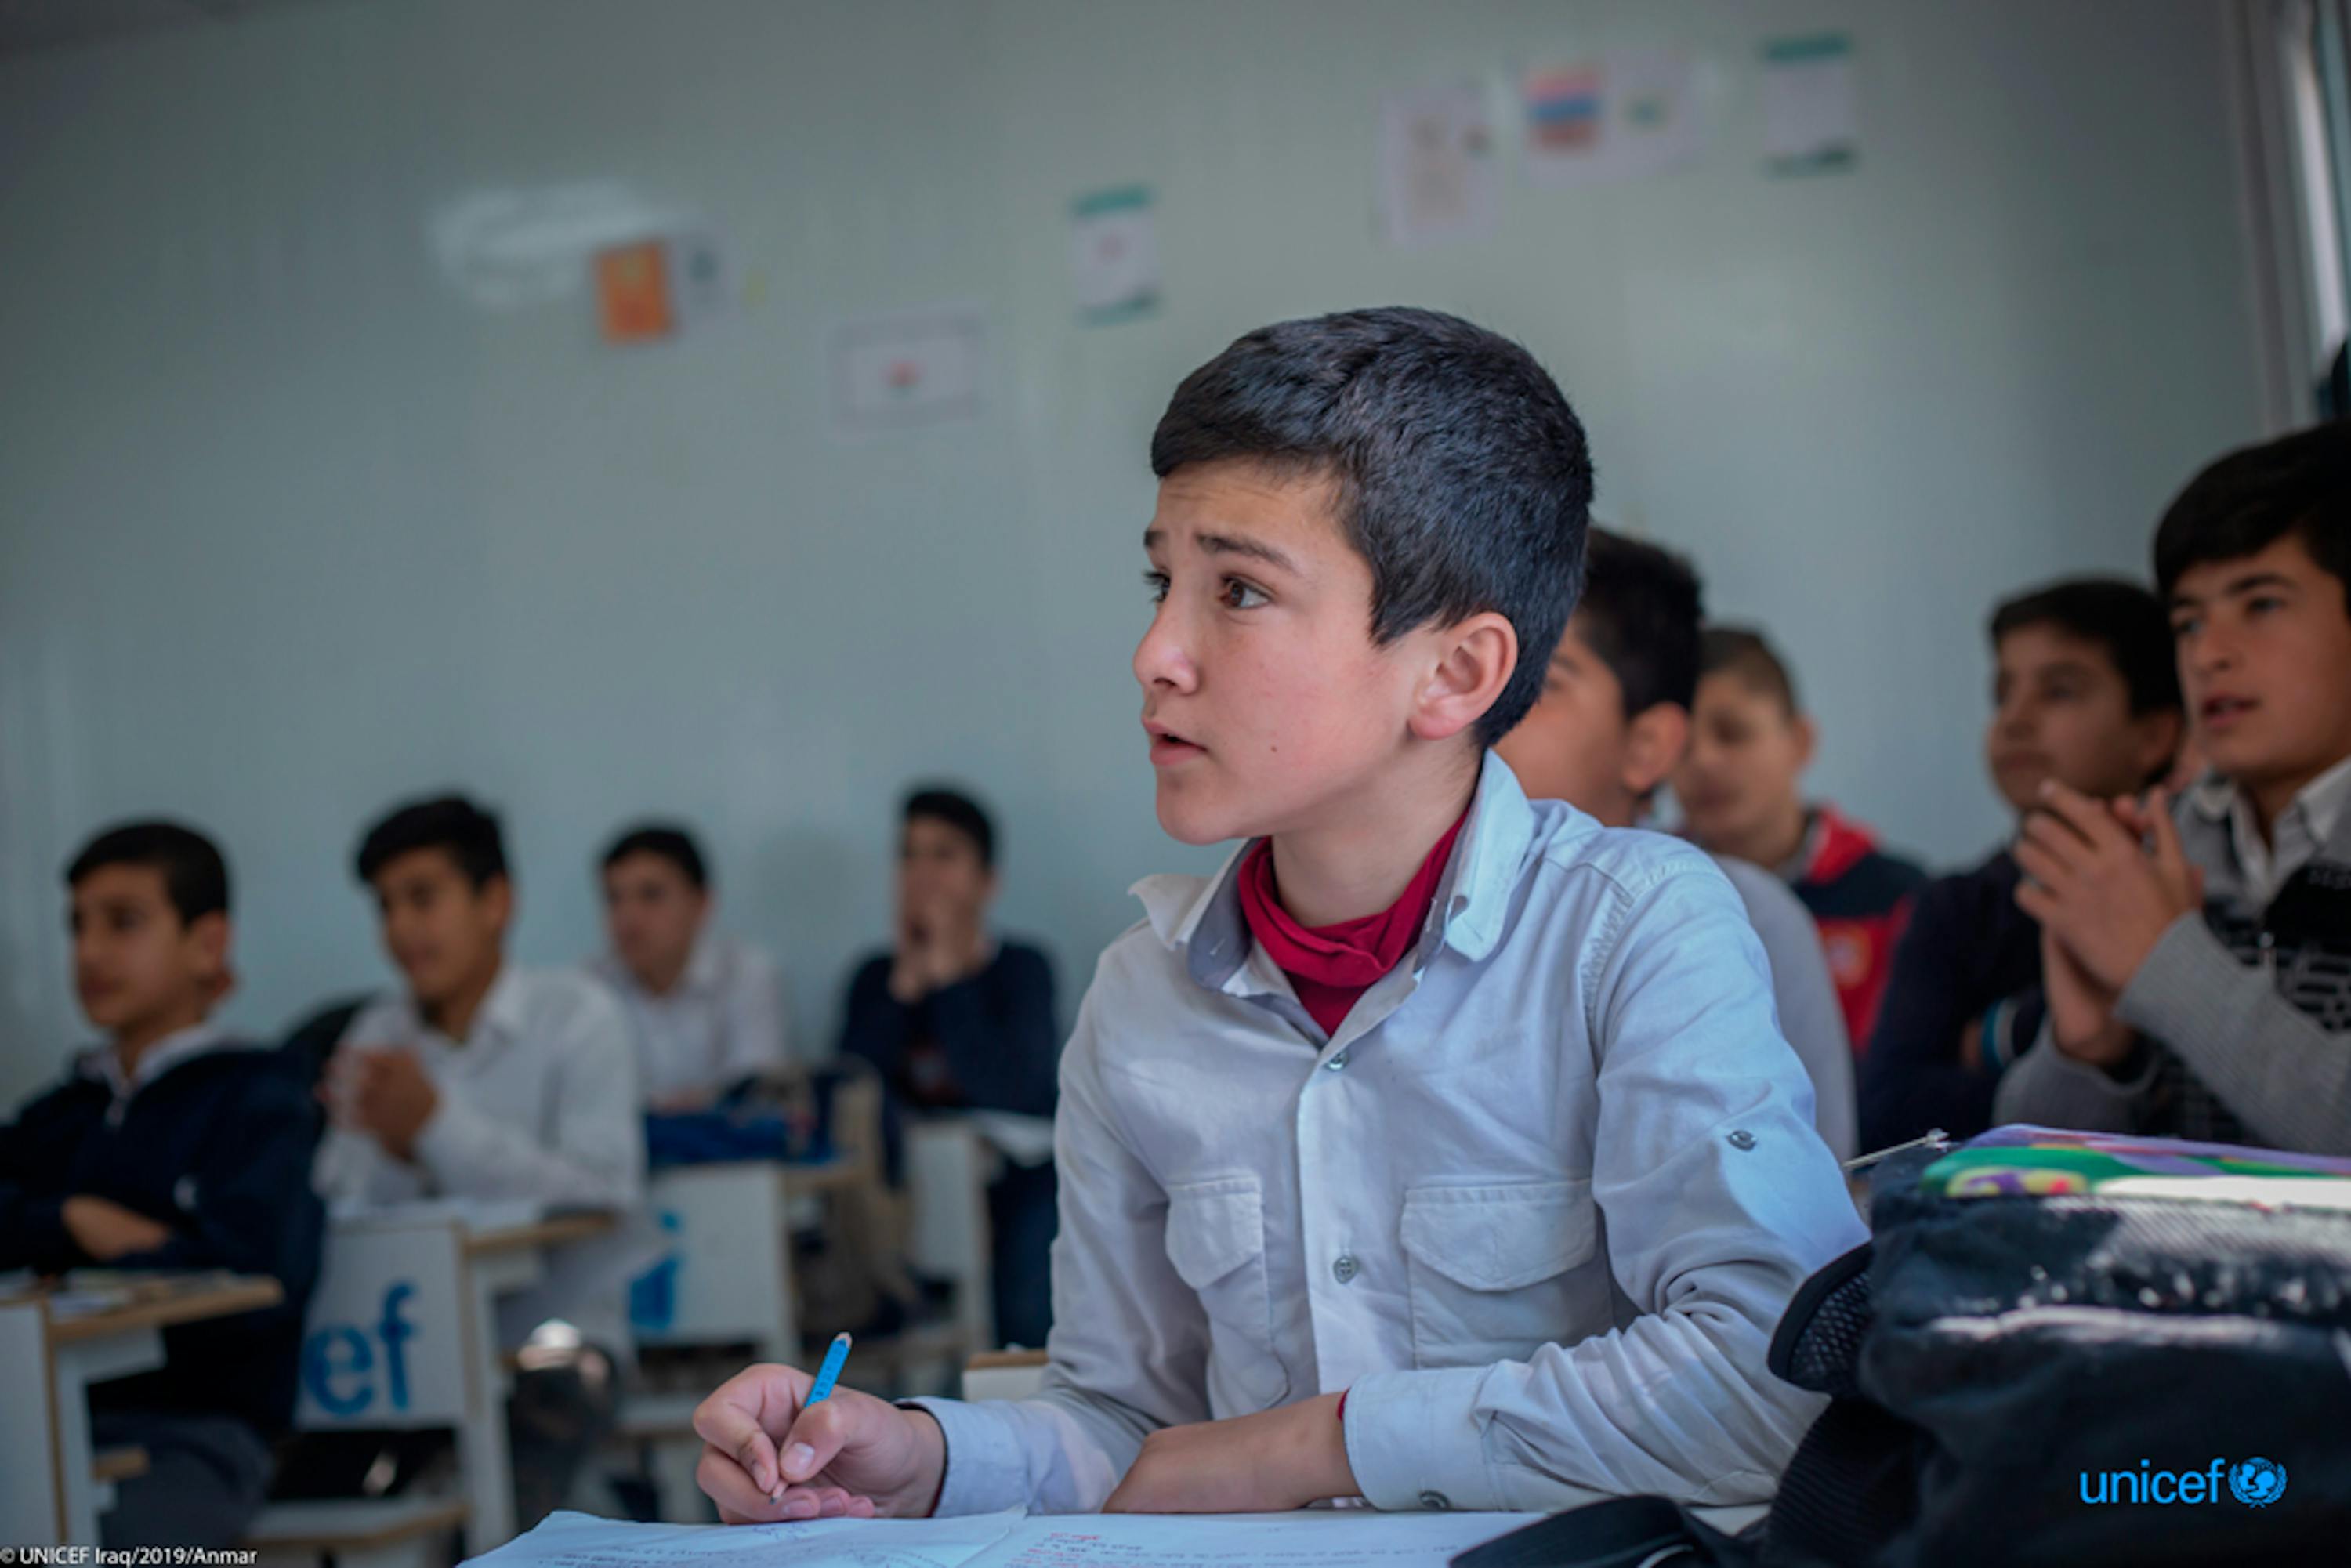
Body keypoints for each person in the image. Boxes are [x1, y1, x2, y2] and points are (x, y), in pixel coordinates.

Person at [690, 307, 1864, 1525]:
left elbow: (1769, 1381)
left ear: (1454, 673)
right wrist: (921, 1457)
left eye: (1238, 590)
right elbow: (1125, 1425)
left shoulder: (1632, 933)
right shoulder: (1139, 999)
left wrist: (1319, 1443)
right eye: (1163, 581)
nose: (1156, 652)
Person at [1994, 426, 2351, 1151]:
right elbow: (2027, 1170)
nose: (2209, 653)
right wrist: (2089, 1049)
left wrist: (2165, 963)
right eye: (2188, 621)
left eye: (2262, 604)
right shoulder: (2160, 844)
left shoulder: (2146, 896)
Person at [300, 794, 643, 1526]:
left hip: (553, 1338)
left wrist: (436, 1127)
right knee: (313, 1493)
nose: (399, 930)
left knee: (505, 1519)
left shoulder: (577, 1014)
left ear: (496, 901)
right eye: (385, 906)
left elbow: (605, 1194)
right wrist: (398, 1150)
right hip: (394, 1355)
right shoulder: (376, 1030)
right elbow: (338, 1200)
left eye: (422, 898)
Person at [0, 823, 323, 1548]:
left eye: (124, 922)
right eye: (77, 925)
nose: (89, 952)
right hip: (34, 1432)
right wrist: (79, 1220)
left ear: (207, 943)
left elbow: (258, 1279)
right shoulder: (63, 1110)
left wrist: (87, 1255)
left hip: (194, 1439)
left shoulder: (259, 1099)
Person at [1495, 527, 1855, 1158]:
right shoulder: (1417, 907)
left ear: (1647, 746)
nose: (1484, 708)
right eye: (1471, 662)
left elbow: (1811, 1201)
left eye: (1540, 680)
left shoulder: (1744, 916)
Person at [1859, 580, 2180, 1150]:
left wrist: (1994, 1038)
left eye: (2059, 691)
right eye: (2003, 692)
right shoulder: (1956, 906)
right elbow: (1890, 1111)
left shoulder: (2191, 891)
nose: (2016, 719)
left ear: (2153, 734)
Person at [840, 787, 1060, 1349]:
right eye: (909, 854)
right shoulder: (874, 978)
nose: (923, 873)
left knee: (1026, 1286)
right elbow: (853, 1096)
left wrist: (952, 984)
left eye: (944, 854)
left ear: (987, 881)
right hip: (907, 1191)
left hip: (1016, 1183)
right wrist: (905, 987)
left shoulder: (1022, 969)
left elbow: (1016, 1088)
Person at [1675, 628, 1929, 1049]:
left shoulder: (1895, 900)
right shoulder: (1643, 895)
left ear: (1800, 741)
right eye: (1681, 744)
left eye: (1732, 733)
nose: (1703, 761)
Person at [591, 822, 791, 1110]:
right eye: (614, 899)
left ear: (701, 903)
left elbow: (755, 1096)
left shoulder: (749, 975)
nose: (628, 918)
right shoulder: (588, 988)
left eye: (651, 895)